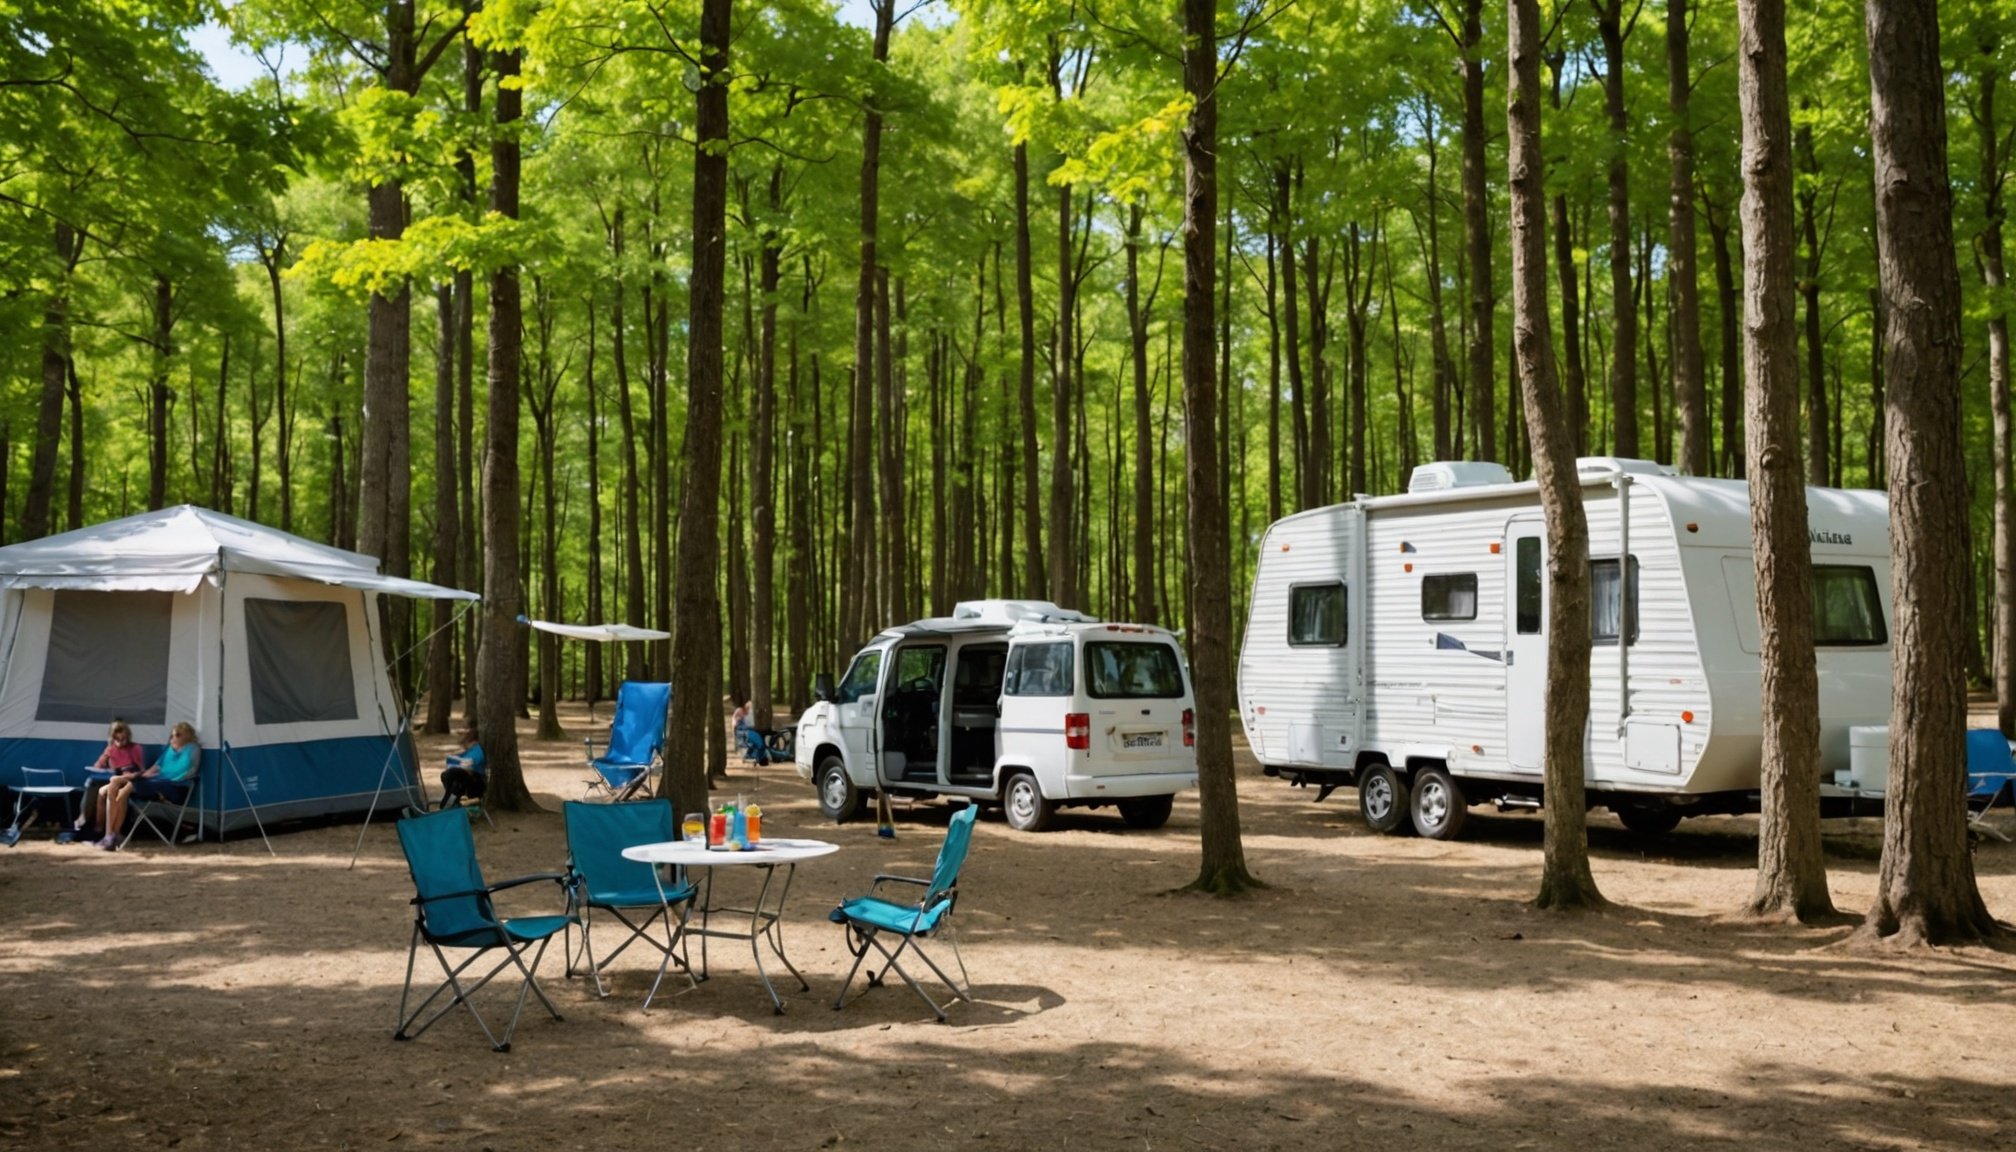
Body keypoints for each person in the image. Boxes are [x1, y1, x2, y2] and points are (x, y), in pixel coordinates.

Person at [96, 722, 199, 850]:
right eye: (172, 736)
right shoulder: (169, 751)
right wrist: (139, 775)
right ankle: (110, 835)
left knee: (121, 785)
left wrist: (136, 777)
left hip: (172, 787)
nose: (173, 739)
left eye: (177, 735)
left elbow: (184, 773)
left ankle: (112, 836)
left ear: (187, 736)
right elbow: (153, 769)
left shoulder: (192, 749)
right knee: (114, 786)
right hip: (156, 783)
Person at [71, 720, 147, 841]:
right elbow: (97, 766)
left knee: (104, 790)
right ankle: (85, 818)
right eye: (117, 739)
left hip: (126, 781)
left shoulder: (135, 748)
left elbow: (142, 770)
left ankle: (99, 828)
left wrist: (131, 774)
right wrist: (105, 757)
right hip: (112, 779)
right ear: (112, 738)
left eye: (123, 739)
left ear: (127, 736)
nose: (120, 742)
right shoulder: (111, 749)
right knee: (93, 784)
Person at [439, 727, 487, 809]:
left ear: (471, 742)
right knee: (450, 778)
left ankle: (448, 803)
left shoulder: (477, 751)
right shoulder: (471, 751)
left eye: (465, 745)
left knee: (453, 774)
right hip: (467, 781)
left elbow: (471, 765)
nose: (465, 748)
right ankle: (450, 801)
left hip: (476, 782)